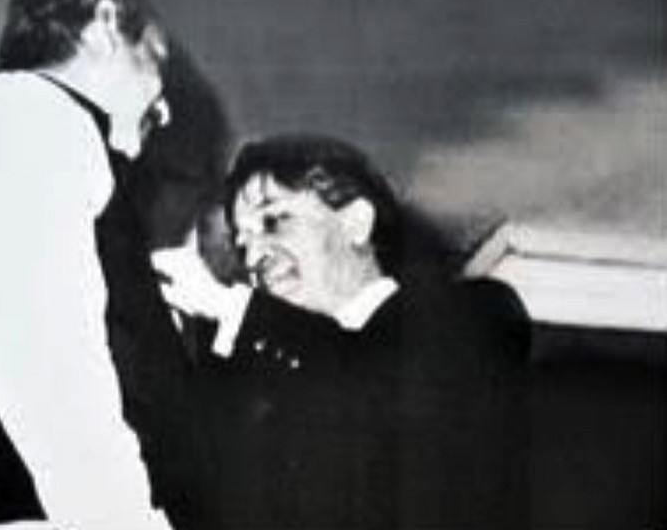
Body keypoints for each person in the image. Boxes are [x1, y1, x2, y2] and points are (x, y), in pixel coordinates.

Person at [0, 0, 181, 530]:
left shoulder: (41, 129)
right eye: (156, 62)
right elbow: (50, 368)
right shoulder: (26, 114)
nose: (157, 119)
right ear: (107, 22)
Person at [154, 134, 532, 529]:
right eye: (242, 242)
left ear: (356, 222)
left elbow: (376, 382)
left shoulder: (477, 312)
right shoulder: (279, 399)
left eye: (272, 221)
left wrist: (229, 306)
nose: (253, 257)